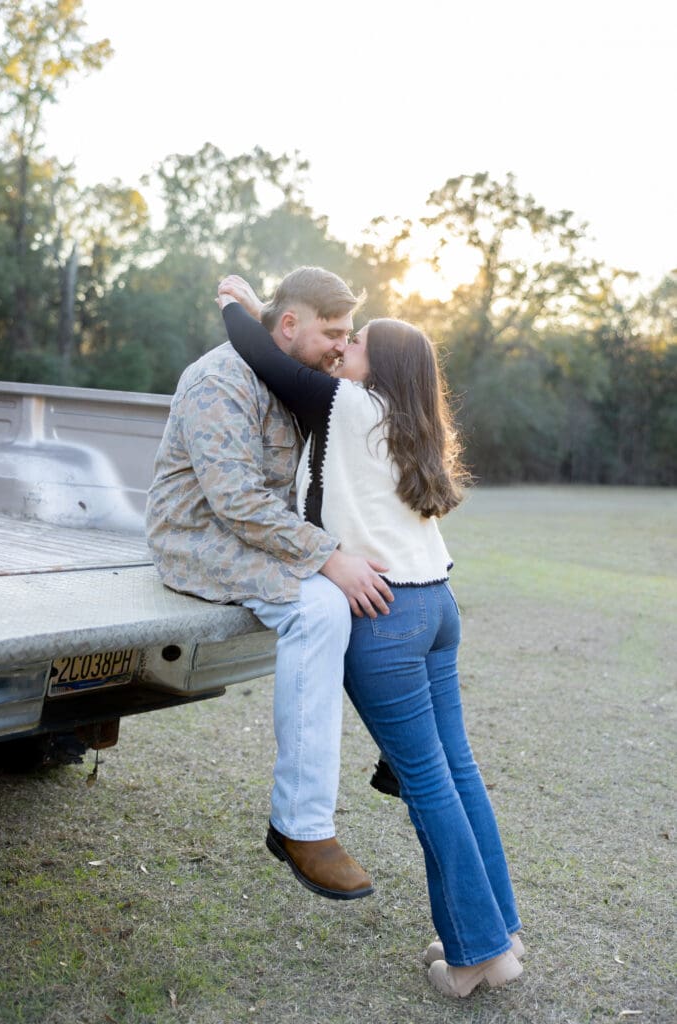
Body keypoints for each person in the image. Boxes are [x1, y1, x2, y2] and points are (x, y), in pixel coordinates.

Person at [217, 275, 524, 1000]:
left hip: (385, 620)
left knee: (428, 784)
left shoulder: (348, 404)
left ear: (375, 367)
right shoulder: (410, 421)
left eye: (354, 342)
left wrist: (235, 300)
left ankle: (477, 952)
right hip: (436, 607)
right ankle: (500, 932)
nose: (343, 348)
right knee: (456, 772)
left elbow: (265, 358)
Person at [146, 267, 395, 902]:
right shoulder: (217, 380)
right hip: (196, 537)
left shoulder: (297, 368)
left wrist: (342, 556)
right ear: (289, 327)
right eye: (332, 332)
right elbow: (234, 501)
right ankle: (300, 827)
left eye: (347, 334)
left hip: (256, 535)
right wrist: (327, 557)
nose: (342, 345)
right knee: (321, 608)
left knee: (380, 584)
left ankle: (401, 750)